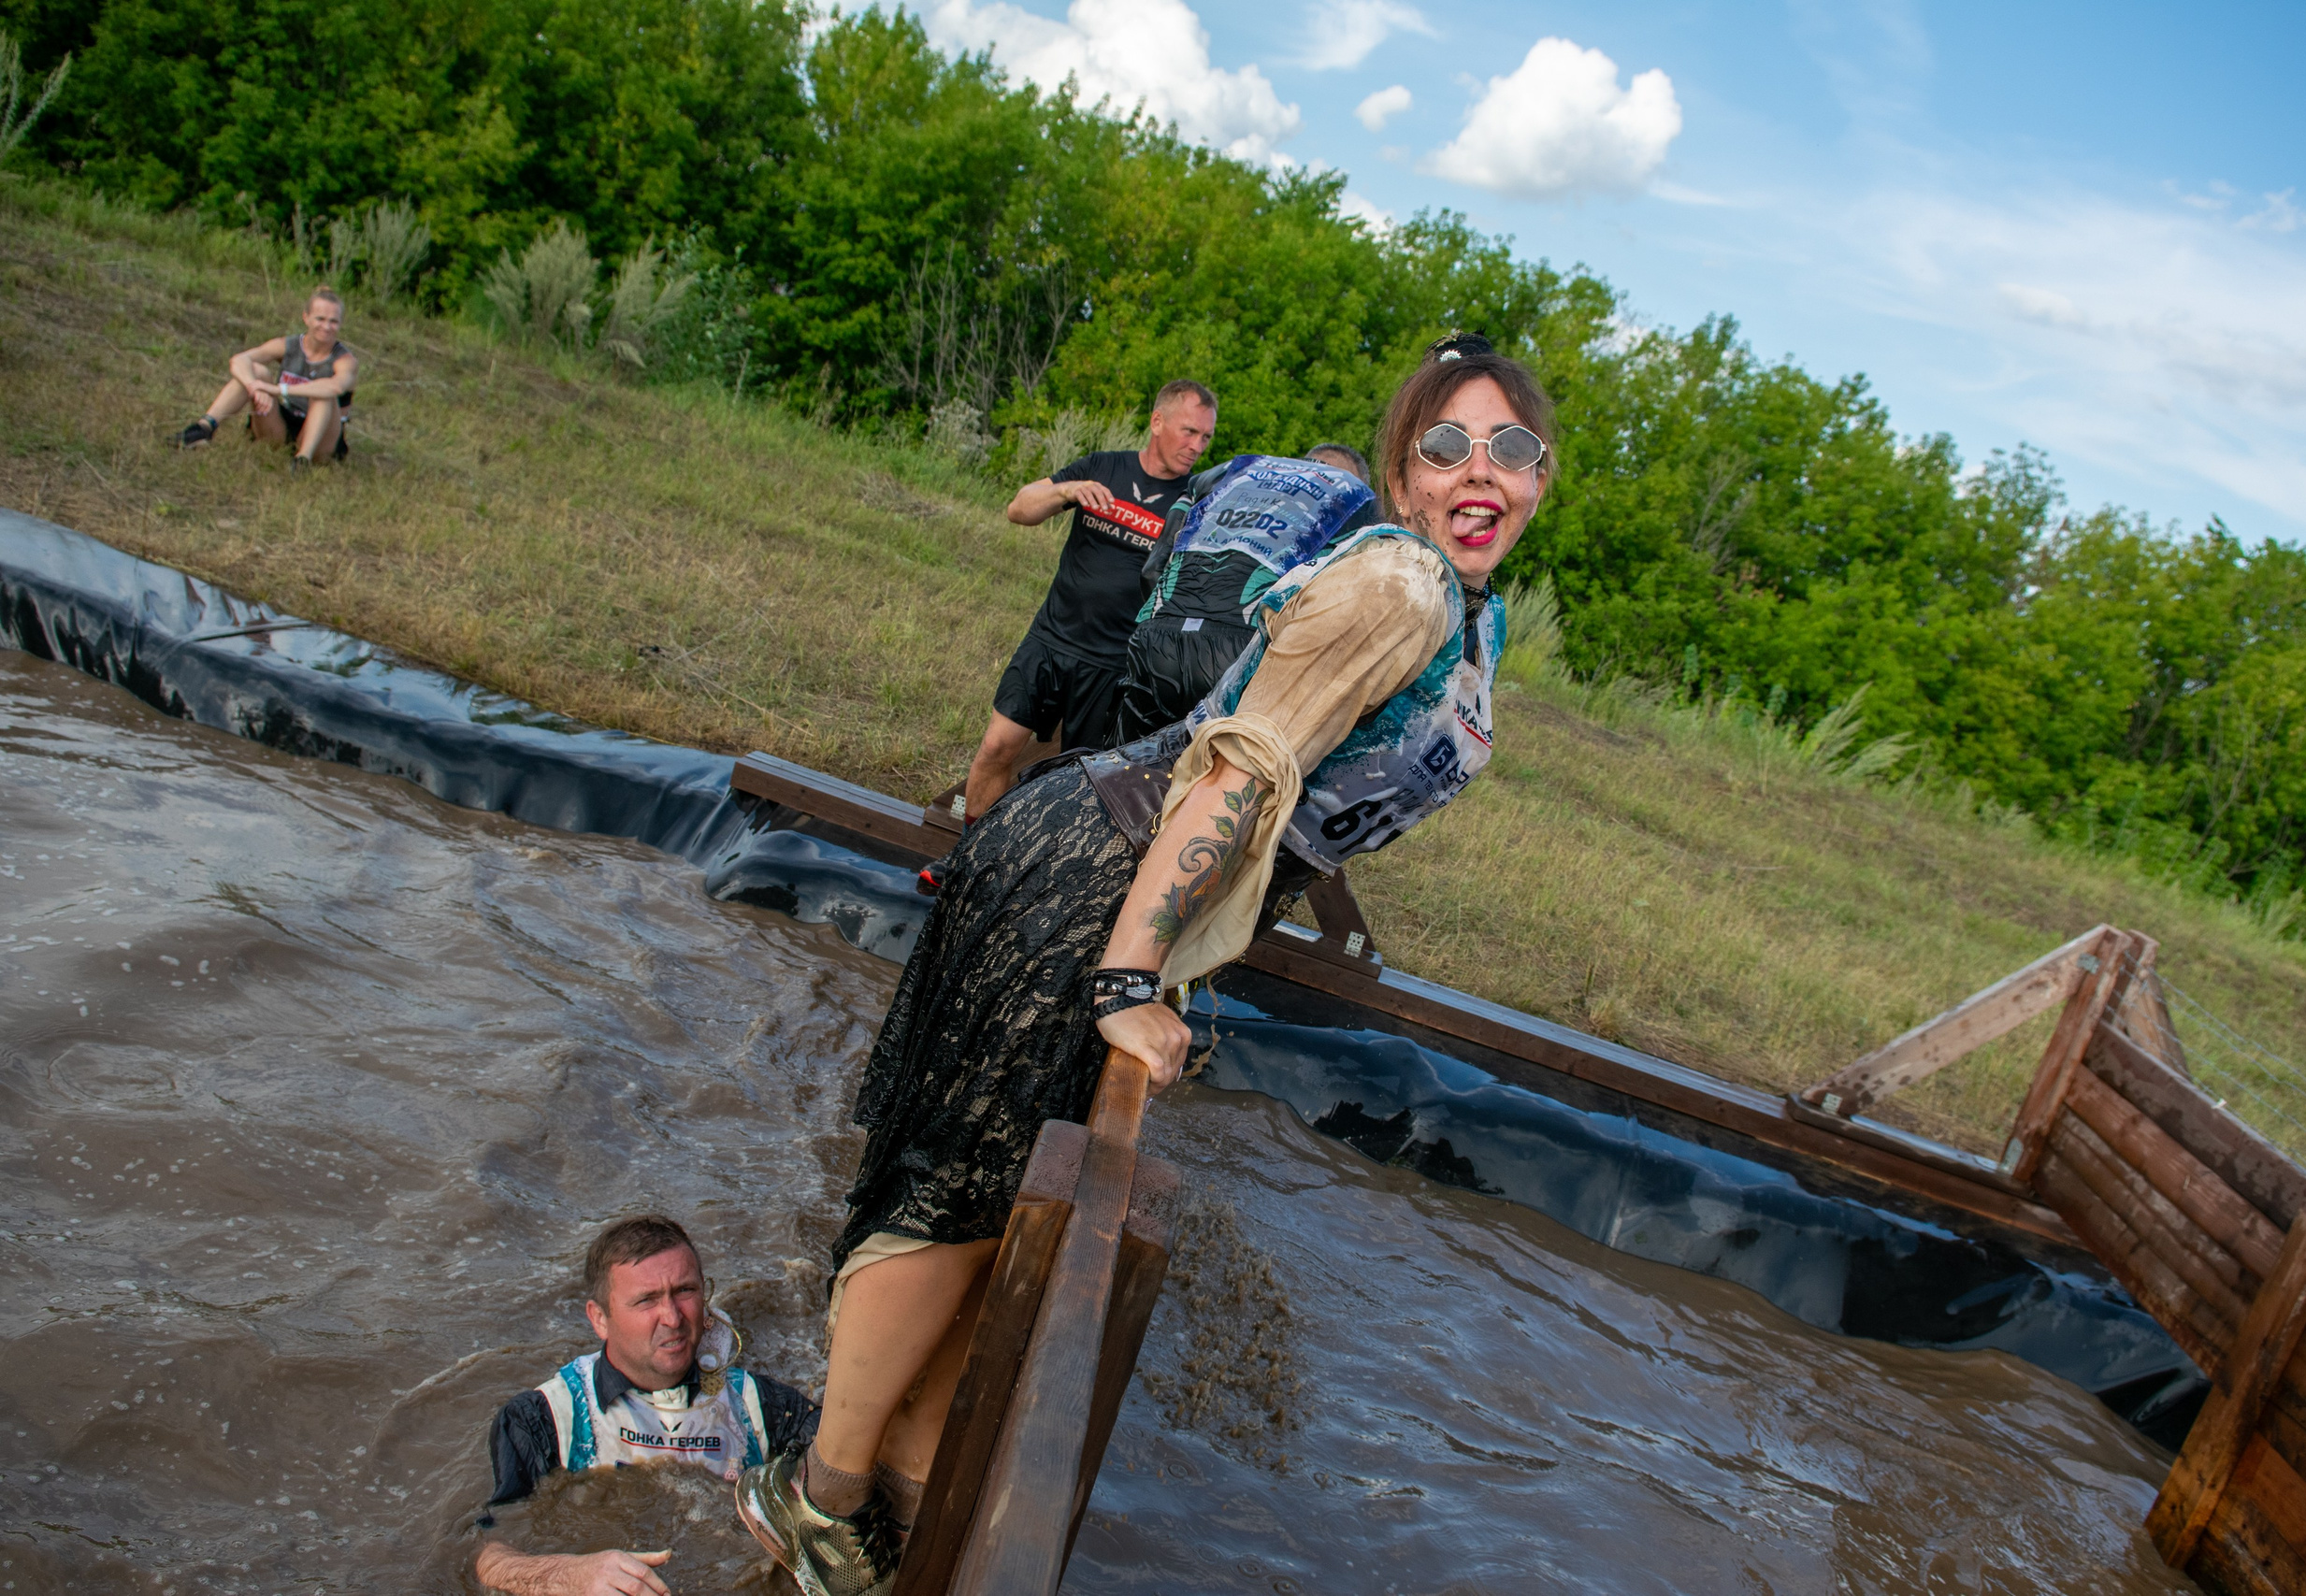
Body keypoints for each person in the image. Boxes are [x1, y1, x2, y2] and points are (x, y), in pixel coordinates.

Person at [733, 334, 1549, 1595]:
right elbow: (1239, 767)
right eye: (1447, 445)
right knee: (959, 1195)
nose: (1479, 469)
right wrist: (1128, 978)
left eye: (1512, 447)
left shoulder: (1458, 602)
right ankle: (817, 1498)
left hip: (1114, 876)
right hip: (1089, 877)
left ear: (1544, 475)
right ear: (1401, 471)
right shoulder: (1403, 585)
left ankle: (899, 1479)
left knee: (1004, 1204)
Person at [475, 1215, 823, 1596]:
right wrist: (567, 1576)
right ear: (599, 1318)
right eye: (646, 1300)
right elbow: (485, 1556)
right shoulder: (542, 1418)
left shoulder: (762, 1406)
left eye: (685, 1291)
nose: (673, 1318)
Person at [958, 381, 1219, 825]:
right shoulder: (1103, 468)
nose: (1197, 446)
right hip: (1051, 638)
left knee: (1078, 784)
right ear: (1157, 422)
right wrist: (1067, 491)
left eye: (1206, 438)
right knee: (996, 748)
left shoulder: (1196, 502)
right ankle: (965, 857)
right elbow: (1018, 509)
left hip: (1114, 663)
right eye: (1189, 432)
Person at [1112, 441, 1384, 742]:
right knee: (1220, 776)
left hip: (1156, 636)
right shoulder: (1359, 499)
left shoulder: (1237, 472)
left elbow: (1152, 570)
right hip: (1244, 651)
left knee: (1121, 770)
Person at [175, 286, 358, 465]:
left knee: (323, 394)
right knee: (257, 372)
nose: (326, 327)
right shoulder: (289, 345)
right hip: (282, 425)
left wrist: (277, 389)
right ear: (306, 318)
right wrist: (253, 386)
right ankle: (204, 427)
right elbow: (239, 360)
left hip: (323, 437)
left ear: (340, 324)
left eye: (333, 321)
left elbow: (336, 387)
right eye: (320, 319)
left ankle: (302, 460)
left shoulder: (344, 360)